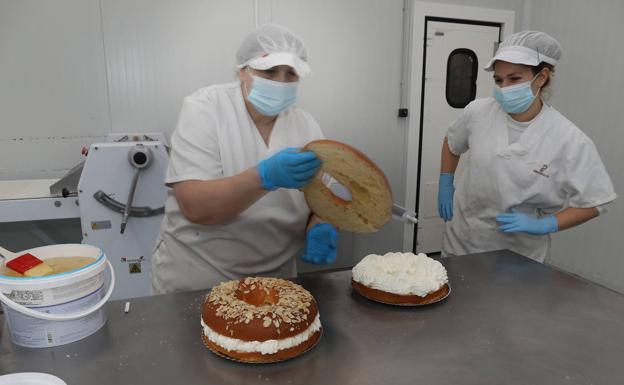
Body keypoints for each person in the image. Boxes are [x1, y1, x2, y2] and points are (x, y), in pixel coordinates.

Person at [151, 24, 338, 294]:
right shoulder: (206, 109)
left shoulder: (305, 126)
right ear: (243, 70)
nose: (281, 82)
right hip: (198, 275)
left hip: (276, 281)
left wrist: (321, 224)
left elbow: (322, 198)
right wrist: (264, 177)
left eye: (291, 74)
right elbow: (196, 206)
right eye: (270, 71)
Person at [437, 31, 616, 262]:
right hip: (462, 239)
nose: (504, 88)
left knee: (509, 298)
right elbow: (452, 143)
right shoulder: (478, 112)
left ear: (541, 77)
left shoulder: (568, 138)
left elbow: (597, 201)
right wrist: (445, 181)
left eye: (514, 79)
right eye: (498, 80)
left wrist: (546, 224)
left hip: (517, 252)